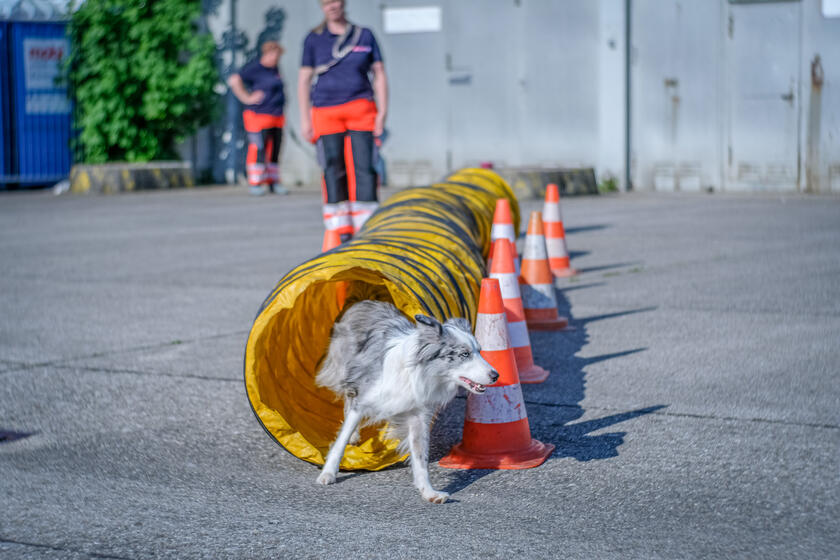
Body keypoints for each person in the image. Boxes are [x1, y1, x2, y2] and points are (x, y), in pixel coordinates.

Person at [298, 0, 388, 240]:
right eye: (326, 3)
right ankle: (339, 228)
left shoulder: (364, 35)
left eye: (335, 1)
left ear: (343, 3)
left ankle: (367, 225)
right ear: (321, 7)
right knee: (332, 166)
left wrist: (382, 112)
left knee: (364, 165)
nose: (332, 6)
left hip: (361, 108)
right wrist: (305, 119)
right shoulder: (313, 39)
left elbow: (379, 74)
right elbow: (304, 80)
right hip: (325, 111)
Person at [228, 41, 288, 195]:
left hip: (276, 116)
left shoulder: (274, 69)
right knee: (258, 148)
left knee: (274, 150)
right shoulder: (255, 68)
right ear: (267, 53)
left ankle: (273, 182)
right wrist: (246, 98)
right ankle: (255, 182)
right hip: (258, 116)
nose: (276, 58)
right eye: (274, 55)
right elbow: (234, 80)